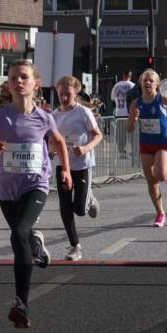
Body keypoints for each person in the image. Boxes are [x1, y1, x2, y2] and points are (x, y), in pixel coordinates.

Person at [0, 60, 71, 329]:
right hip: (6, 188)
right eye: (13, 78)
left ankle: (21, 302)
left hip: (35, 184)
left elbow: (58, 141)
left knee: (18, 233)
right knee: (20, 236)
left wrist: (66, 171)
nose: (18, 81)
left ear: (36, 83)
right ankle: (35, 243)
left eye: (23, 77)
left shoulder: (44, 117)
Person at [127, 69, 167, 228]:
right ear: (141, 84)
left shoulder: (163, 100)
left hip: (162, 144)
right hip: (146, 145)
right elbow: (129, 128)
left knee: (161, 175)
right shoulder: (136, 103)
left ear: (157, 84)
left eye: (151, 80)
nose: (147, 83)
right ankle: (160, 213)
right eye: (145, 80)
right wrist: (134, 120)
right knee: (151, 181)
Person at [52, 76, 104, 262]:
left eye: (68, 94)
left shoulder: (83, 113)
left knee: (80, 210)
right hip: (61, 165)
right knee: (65, 206)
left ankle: (90, 199)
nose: (64, 98)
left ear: (75, 93)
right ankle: (75, 246)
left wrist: (85, 148)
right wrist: (51, 150)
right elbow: (51, 140)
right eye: (61, 94)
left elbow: (98, 136)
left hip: (82, 165)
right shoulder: (54, 115)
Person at [111, 70, 135, 156]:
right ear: (130, 76)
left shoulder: (116, 85)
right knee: (133, 132)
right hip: (130, 112)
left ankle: (121, 151)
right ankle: (134, 150)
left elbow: (113, 98)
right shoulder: (133, 85)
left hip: (119, 112)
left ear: (123, 75)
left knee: (121, 133)